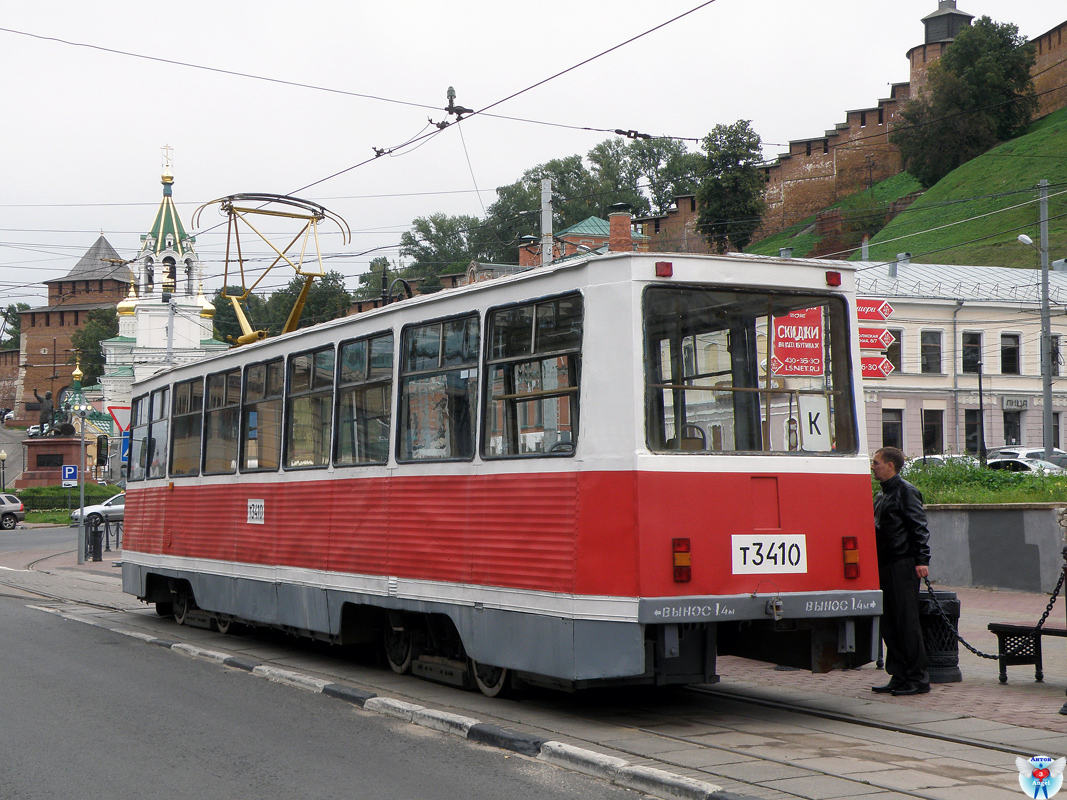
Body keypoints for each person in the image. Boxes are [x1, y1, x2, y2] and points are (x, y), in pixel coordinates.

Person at [871, 446, 932, 696]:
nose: (872, 467)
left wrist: (921, 559)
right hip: (885, 563)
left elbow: (918, 527)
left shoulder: (906, 492)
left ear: (890, 466)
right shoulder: (881, 495)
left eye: (876, 463)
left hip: (902, 563)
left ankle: (917, 678)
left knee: (906, 621)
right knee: (890, 622)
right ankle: (899, 674)